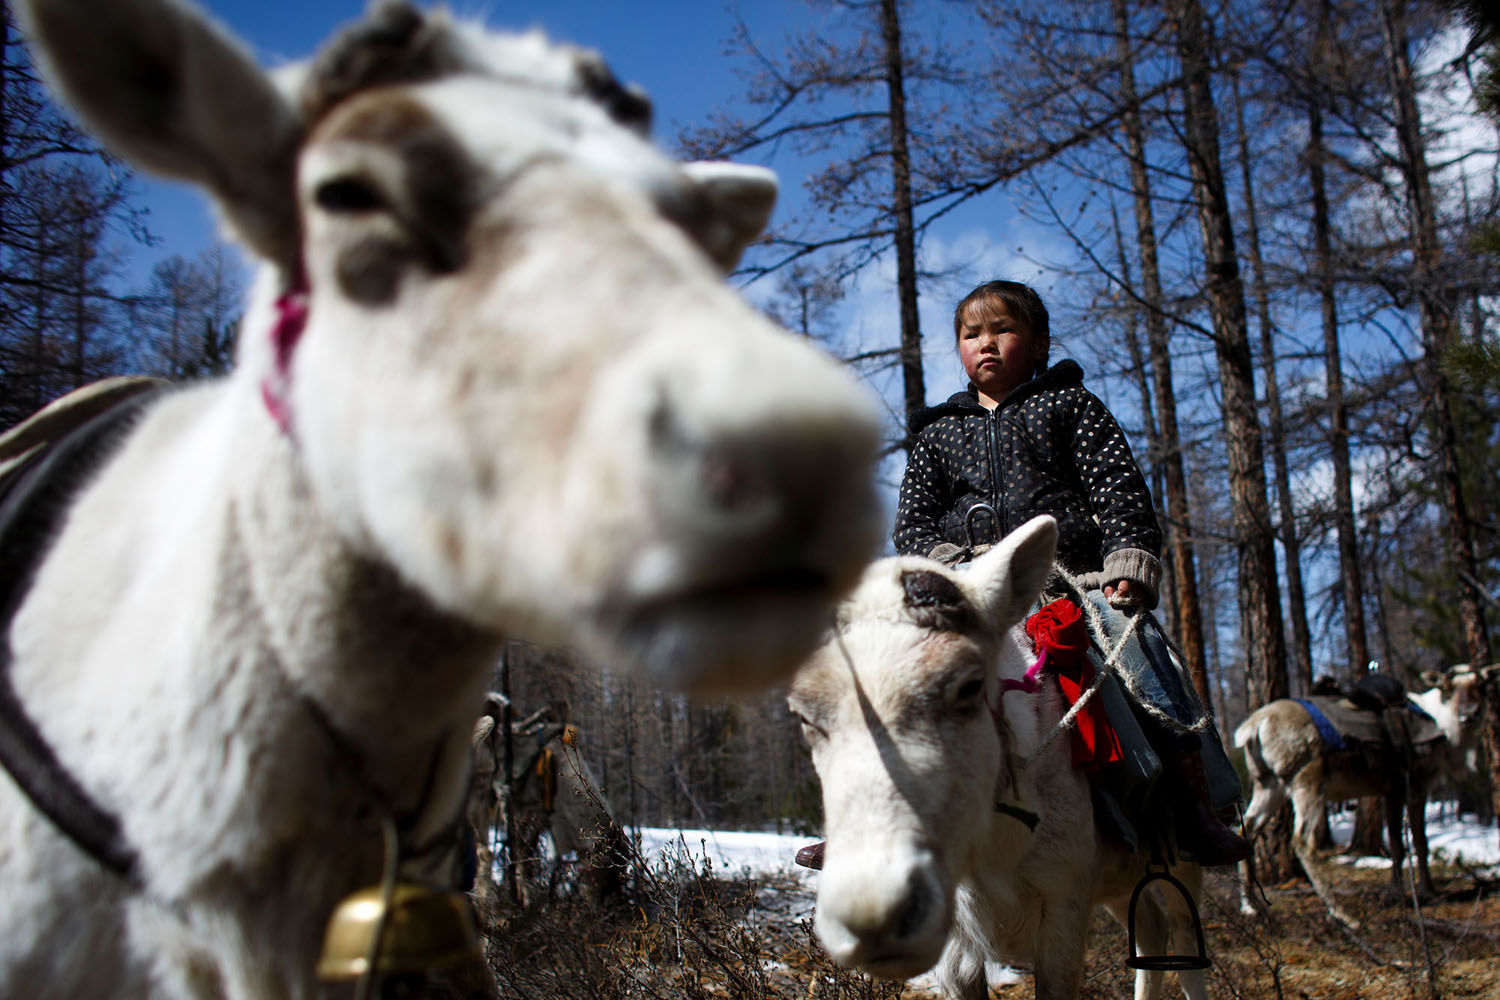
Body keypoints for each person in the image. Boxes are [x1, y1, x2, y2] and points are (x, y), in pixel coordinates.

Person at [797, 280, 1247, 872]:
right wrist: (950, 565)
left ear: (1039, 345)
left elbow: (1119, 492)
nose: (986, 343)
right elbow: (913, 524)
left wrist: (1128, 564)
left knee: (1141, 654)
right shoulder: (936, 435)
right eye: (970, 334)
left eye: (1003, 330)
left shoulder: (1072, 406)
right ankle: (865, 820)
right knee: (891, 675)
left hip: (1075, 586)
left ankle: (1195, 810)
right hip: (969, 593)